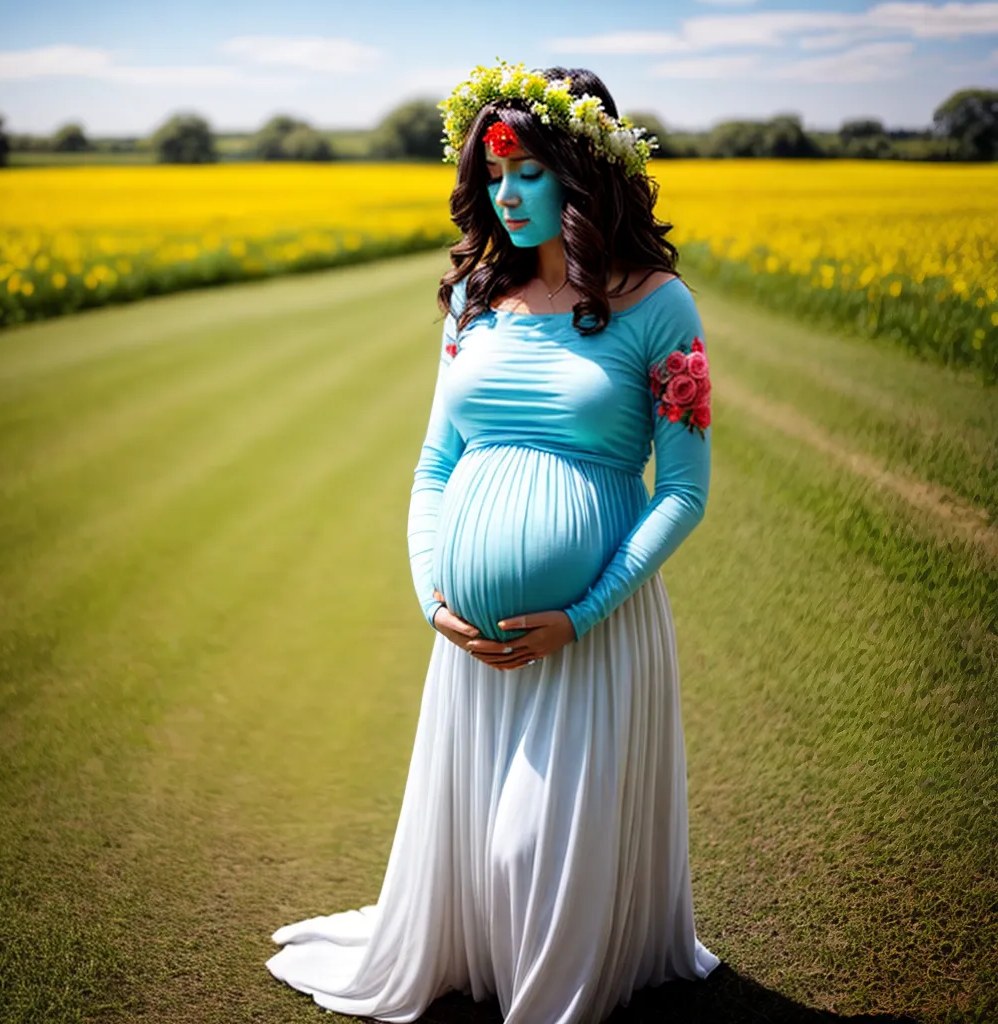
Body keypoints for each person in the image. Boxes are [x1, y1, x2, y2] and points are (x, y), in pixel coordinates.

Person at [266, 61, 721, 1023]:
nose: (505, 197)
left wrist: (582, 613)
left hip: (590, 635)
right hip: (467, 646)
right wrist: (433, 597)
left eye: (527, 174)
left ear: (583, 174)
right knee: (480, 861)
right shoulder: (475, 298)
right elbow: (434, 466)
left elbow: (682, 493)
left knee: (527, 853)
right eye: (493, 177)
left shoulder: (657, 304)